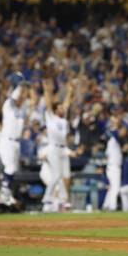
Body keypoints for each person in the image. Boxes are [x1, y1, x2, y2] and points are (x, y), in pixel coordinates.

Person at [0, 73, 35, 206]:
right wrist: (21, 86)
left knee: (13, 169)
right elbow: (17, 97)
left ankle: (6, 193)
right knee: (10, 167)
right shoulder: (8, 104)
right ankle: (3, 193)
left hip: (16, 143)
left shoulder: (21, 108)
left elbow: (25, 100)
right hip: (7, 141)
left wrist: (26, 89)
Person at [42, 79, 74, 211]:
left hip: (63, 149)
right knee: (56, 175)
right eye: (59, 108)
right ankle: (47, 199)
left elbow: (66, 103)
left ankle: (62, 200)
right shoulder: (51, 118)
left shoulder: (63, 120)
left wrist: (70, 91)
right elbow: (49, 104)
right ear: (55, 110)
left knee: (65, 174)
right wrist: (47, 91)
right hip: (53, 148)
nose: (62, 109)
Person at [103, 117, 123, 211]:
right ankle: (112, 206)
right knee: (116, 188)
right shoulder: (113, 139)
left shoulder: (110, 141)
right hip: (114, 167)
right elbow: (116, 135)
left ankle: (106, 205)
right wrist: (115, 125)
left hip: (110, 166)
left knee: (112, 188)